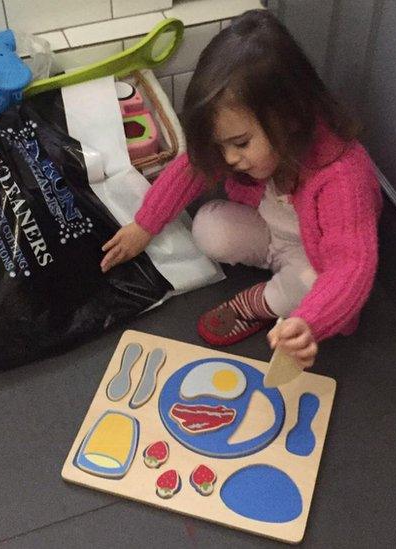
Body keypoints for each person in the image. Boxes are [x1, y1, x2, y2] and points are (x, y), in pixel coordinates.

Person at [100, 9, 381, 370]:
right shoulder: (249, 141)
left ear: (290, 118)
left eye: (241, 144)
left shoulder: (342, 176)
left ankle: (261, 302)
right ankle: (279, 284)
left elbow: (352, 265)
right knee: (207, 226)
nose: (229, 158)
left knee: (308, 288)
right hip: (270, 235)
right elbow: (192, 169)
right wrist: (144, 225)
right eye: (222, 145)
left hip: (316, 262)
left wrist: (308, 324)